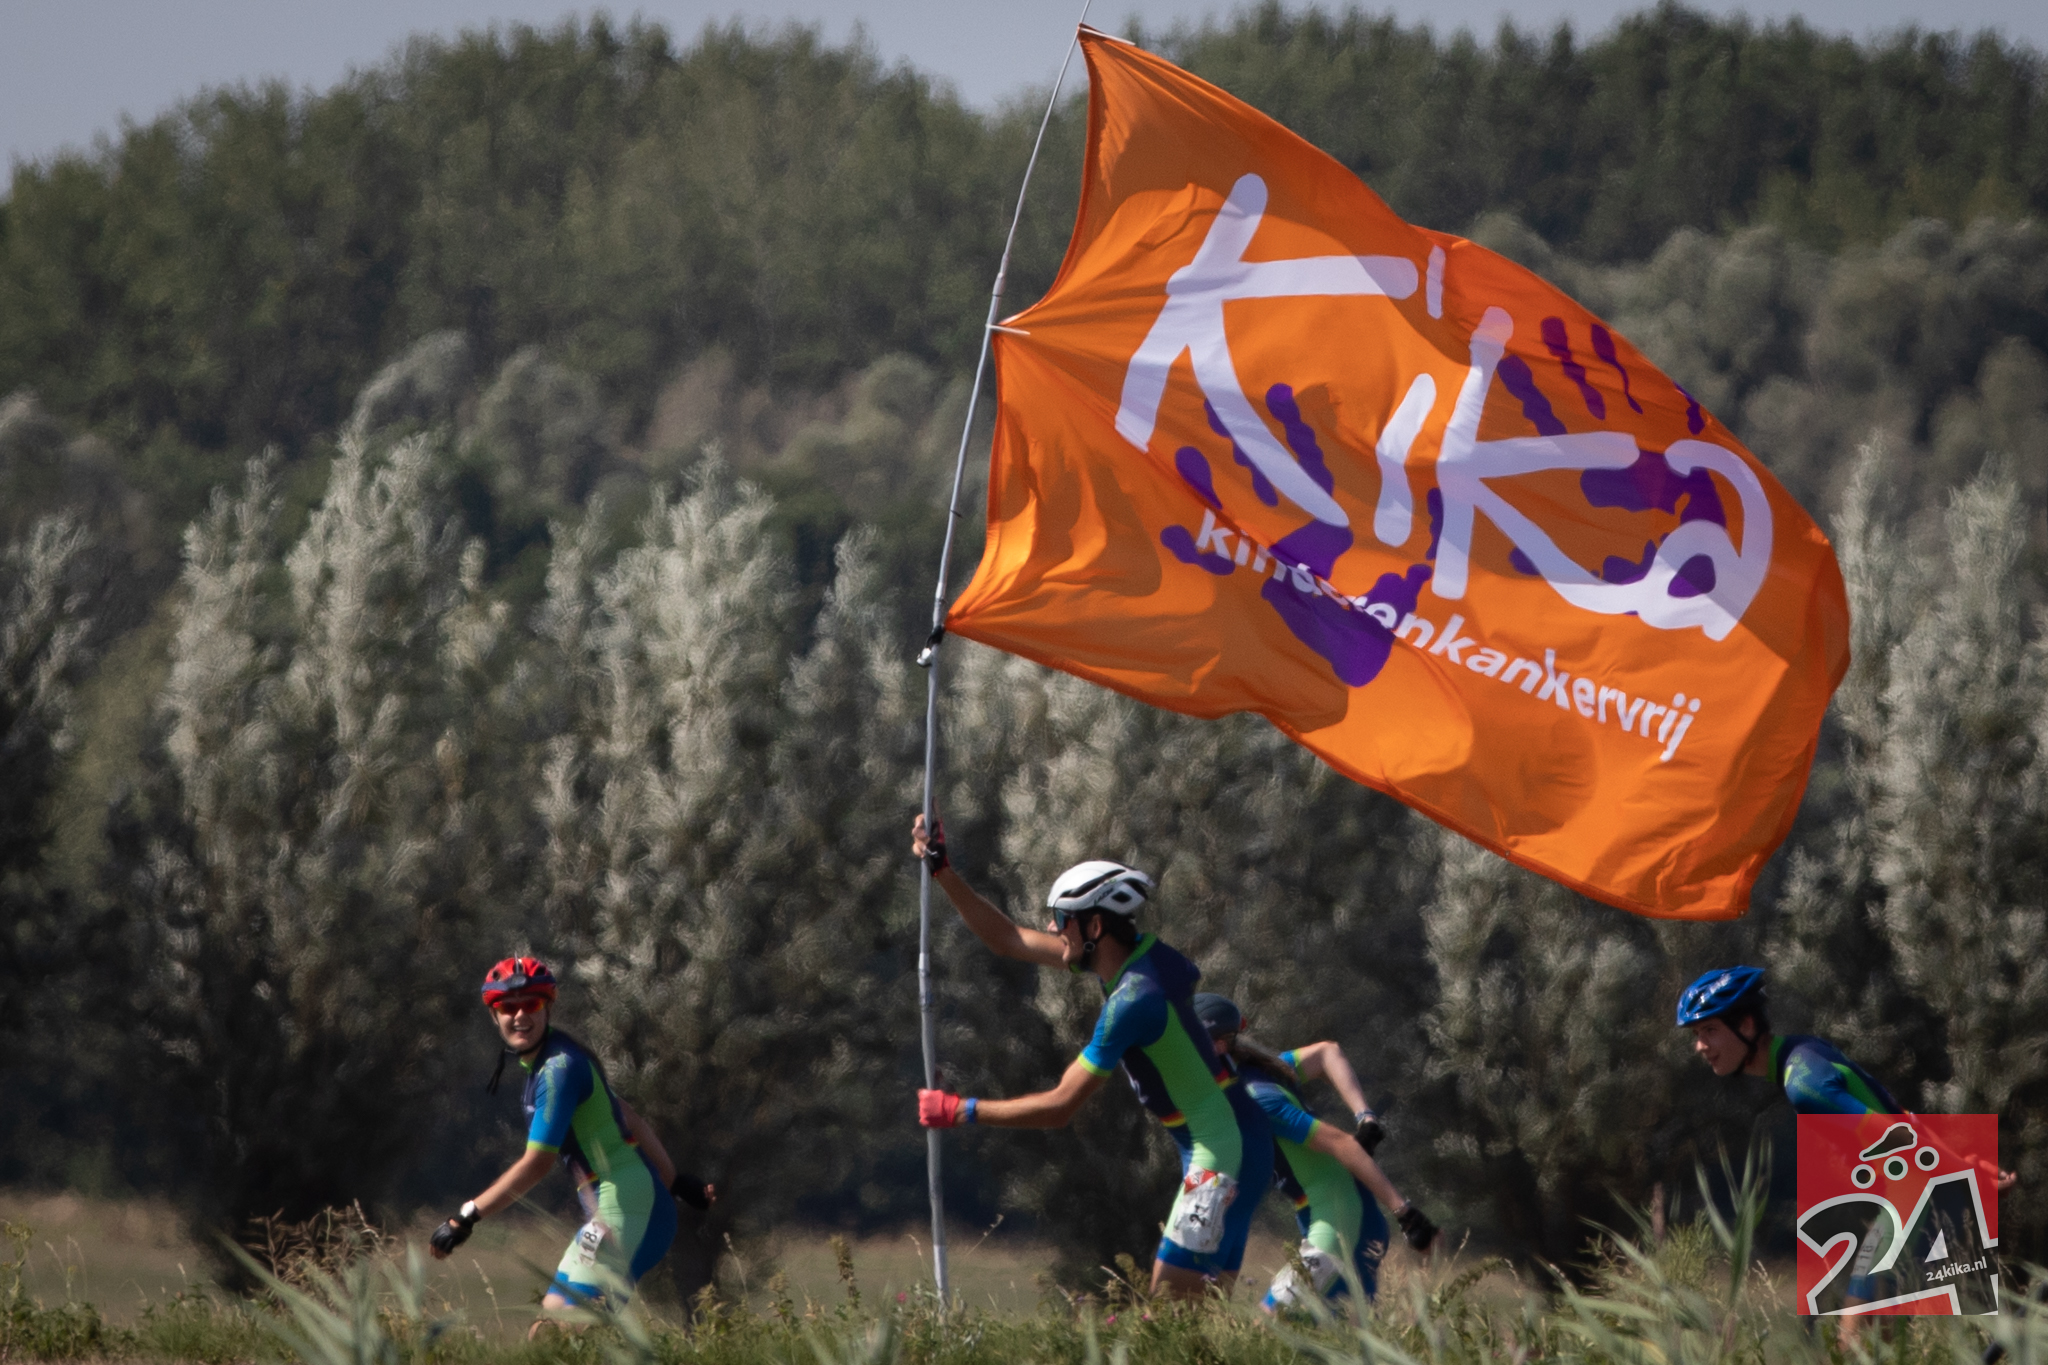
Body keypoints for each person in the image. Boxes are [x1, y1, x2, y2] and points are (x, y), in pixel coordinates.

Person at [910, 815, 1273, 1298]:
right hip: (1236, 1140)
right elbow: (1009, 939)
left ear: (1095, 926)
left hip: (1217, 1149)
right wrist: (943, 871)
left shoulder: (1131, 1002)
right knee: (1199, 1310)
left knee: (1171, 1310)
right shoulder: (1142, 958)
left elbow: (1060, 1107)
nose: (1051, 928)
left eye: (1061, 920)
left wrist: (960, 1110)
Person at [1678, 965, 2014, 1332]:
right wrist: (1963, 1166)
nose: (1700, 1046)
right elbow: (1898, 1118)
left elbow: (1897, 1134)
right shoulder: (1803, 1051)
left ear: (1745, 1025)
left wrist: (1965, 1173)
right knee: (1873, 1340)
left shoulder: (1803, 1085)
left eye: (1710, 1031)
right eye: (1696, 1034)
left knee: (1857, 1344)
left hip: (1917, 1198)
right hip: (1913, 1195)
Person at [427, 957, 714, 1325]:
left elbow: (537, 1163)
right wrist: (673, 1181)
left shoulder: (558, 1069)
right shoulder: (555, 1059)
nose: (520, 1015)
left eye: (531, 1004)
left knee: (567, 1327)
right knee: (549, 1329)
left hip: (627, 1206)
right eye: (508, 1007)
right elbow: (627, 1115)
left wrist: (466, 1217)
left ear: (548, 1007)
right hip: (621, 1207)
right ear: (493, 1015)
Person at [1192, 994, 1437, 1311]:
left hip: (1342, 1222)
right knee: (1332, 1336)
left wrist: (1407, 1215)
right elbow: (1326, 1052)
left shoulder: (1257, 1098)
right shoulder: (1258, 1069)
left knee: (1269, 1326)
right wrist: (1365, 1116)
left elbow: (1342, 1144)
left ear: (1217, 1047)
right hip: (1332, 1216)